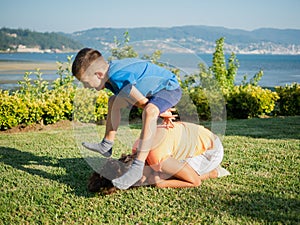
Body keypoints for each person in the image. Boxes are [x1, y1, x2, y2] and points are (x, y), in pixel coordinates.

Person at [72, 48, 182, 190]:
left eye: (85, 82)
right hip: (151, 92)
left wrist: (160, 111)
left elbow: (142, 102)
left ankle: (137, 167)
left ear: (98, 74)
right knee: (113, 101)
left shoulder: (117, 76)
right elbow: (132, 98)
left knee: (149, 111)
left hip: (167, 89)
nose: (85, 86)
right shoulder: (109, 74)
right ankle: (107, 144)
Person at [88, 121, 230, 193]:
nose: (142, 182)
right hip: (197, 135)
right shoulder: (137, 148)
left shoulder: (158, 159)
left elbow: (195, 182)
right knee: (161, 172)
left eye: (138, 180)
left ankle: (213, 172)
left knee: (168, 175)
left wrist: (161, 183)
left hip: (212, 150)